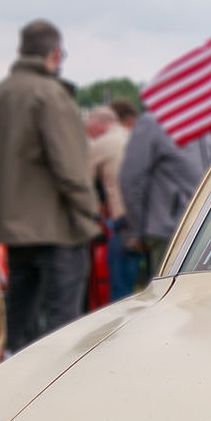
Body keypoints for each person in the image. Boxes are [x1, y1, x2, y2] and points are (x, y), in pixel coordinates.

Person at [0, 18, 101, 353]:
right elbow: (70, 166)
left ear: (20, 51)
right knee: (63, 328)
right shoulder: (49, 95)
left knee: (19, 317)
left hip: (15, 227)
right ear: (56, 54)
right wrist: (89, 213)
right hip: (56, 228)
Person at [119, 107, 211, 280]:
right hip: (169, 232)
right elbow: (131, 179)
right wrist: (139, 229)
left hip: (204, 230)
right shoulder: (153, 122)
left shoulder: (202, 120)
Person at [86, 105, 139, 300]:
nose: (91, 136)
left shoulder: (102, 144)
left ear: (99, 126)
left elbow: (84, 184)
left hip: (123, 220)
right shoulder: (133, 136)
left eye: (90, 131)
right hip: (148, 220)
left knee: (120, 288)